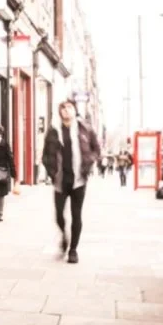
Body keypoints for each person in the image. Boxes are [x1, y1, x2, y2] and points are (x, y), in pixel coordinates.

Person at [42, 100, 100, 264]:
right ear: (60, 112)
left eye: (69, 107)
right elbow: (46, 155)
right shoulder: (54, 132)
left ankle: (73, 250)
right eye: (63, 108)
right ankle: (64, 238)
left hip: (78, 180)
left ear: (75, 110)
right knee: (59, 216)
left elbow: (96, 149)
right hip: (60, 180)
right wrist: (51, 172)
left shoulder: (85, 129)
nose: (66, 110)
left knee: (76, 215)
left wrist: (89, 162)